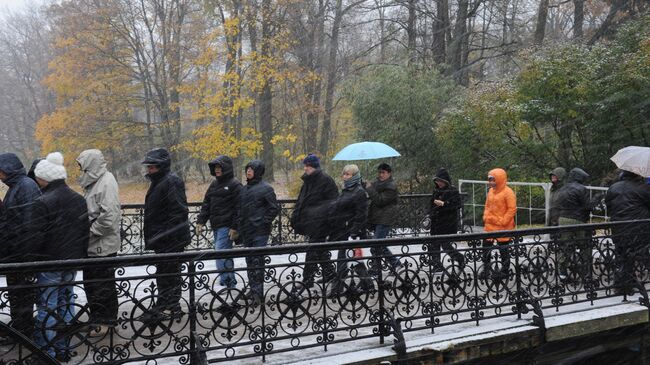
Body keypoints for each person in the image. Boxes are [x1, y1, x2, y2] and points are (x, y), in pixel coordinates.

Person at [31, 152, 90, 360]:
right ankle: (63, 349)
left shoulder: (43, 201)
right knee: (66, 303)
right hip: (72, 260)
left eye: (38, 177)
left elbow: (37, 236)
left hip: (50, 261)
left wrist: (33, 259)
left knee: (48, 306)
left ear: (44, 178)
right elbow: (85, 231)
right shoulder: (78, 199)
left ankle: (47, 352)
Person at [76, 149, 121, 332]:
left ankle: (106, 321)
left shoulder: (106, 182)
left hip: (102, 245)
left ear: (90, 164)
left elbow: (109, 216)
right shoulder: (95, 182)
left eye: (82, 165)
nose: (80, 170)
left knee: (102, 286)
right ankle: (98, 319)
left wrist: (90, 232)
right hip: (94, 245)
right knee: (93, 285)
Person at [142, 148, 190, 316]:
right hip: (162, 239)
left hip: (170, 240)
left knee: (170, 273)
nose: (149, 170)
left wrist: (165, 234)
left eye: (152, 167)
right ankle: (164, 303)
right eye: (148, 167)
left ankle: (172, 305)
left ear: (161, 166)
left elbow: (179, 211)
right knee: (163, 273)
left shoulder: (171, 181)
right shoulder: (160, 181)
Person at [0, 153, 41, 339]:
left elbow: (31, 224)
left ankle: (24, 332)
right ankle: (19, 329)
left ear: (8, 170)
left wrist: (27, 259)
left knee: (22, 296)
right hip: (15, 255)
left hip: (22, 256)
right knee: (17, 296)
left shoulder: (25, 186)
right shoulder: (17, 186)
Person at [290, 154, 338, 288]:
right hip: (310, 221)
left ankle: (307, 280)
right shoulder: (308, 181)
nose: (305, 168)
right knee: (320, 250)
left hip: (321, 222)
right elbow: (301, 201)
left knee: (312, 250)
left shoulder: (326, 180)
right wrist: (296, 217)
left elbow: (333, 202)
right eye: (305, 166)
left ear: (315, 167)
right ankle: (330, 274)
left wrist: (321, 215)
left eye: (308, 166)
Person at [196, 155, 242, 288]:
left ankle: (226, 280)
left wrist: (235, 227)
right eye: (215, 167)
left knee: (220, 252)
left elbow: (240, 208)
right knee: (224, 253)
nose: (216, 170)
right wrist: (201, 221)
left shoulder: (235, 184)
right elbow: (207, 204)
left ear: (225, 168)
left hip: (227, 226)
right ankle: (229, 280)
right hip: (216, 225)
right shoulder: (214, 184)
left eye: (219, 167)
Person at [236, 160, 278, 304]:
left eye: (251, 169)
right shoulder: (244, 189)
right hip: (247, 231)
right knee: (249, 261)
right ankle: (253, 289)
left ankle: (258, 293)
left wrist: (262, 221)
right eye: (247, 169)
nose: (248, 171)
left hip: (260, 231)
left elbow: (273, 208)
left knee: (257, 261)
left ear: (258, 171)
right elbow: (240, 210)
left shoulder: (266, 188)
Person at [605, 170, 650, 295]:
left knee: (623, 256)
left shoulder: (613, 188)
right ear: (637, 175)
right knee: (640, 254)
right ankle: (626, 284)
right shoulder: (643, 189)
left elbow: (608, 206)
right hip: (638, 228)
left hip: (618, 227)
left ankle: (623, 285)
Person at [329, 164, 370, 295]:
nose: (345, 177)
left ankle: (336, 289)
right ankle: (368, 284)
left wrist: (354, 232)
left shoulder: (359, 192)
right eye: (344, 174)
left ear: (355, 176)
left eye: (348, 174)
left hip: (352, 232)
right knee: (355, 261)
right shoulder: (346, 190)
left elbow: (361, 215)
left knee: (343, 260)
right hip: (344, 230)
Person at [555, 168, 593, 281]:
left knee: (566, 246)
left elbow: (557, 204)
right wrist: (594, 201)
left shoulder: (563, 188)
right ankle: (585, 272)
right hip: (577, 220)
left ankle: (562, 272)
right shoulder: (581, 189)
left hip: (562, 219)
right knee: (584, 245)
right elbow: (587, 206)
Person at [481, 168, 517, 279]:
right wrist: (486, 216)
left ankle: (505, 271)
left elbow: (512, 209)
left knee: (504, 250)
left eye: (493, 180)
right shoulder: (490, 191)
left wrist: (503, 221)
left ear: (500, 179)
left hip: (503, 227)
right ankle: (486, 270)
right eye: (490, 180)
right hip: (490, 225)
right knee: (486, 250)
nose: (491, 182)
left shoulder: (508, 192)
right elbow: (487, 206)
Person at [366, 163, 401, 275]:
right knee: (378, 244)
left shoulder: (391, 186)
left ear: (389, 173)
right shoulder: (379, 184)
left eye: (383, 172)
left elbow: (380, 201)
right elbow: (371, 187)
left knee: (377, 244)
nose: (380, 174)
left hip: (385, 218)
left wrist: (370, 189)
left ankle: (393, 264)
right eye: (379, 172)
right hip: (378, 217)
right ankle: (385, 265)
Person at [428, 168, 464, 272]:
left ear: (445, 181)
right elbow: (431, 204)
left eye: (440, 181)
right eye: (436, 181)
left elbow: (457, 205)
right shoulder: (436, 191)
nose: (438, 183)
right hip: (436, 222)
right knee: (434, 244)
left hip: (447, 223)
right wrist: (430, 214)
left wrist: (444, 204)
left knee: (445, 245)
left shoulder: (452, 190)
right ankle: (437, 265)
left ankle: (459, 258)